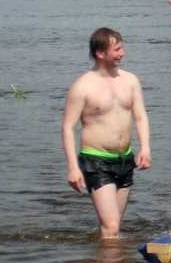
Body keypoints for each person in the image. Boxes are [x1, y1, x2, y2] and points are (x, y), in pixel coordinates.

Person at [61, 27, 151, 239]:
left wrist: (145, 148)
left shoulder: (130, 80)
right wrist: (73, 168)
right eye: (117, 49)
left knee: (113, 226)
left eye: (122, 48)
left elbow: (140, 116)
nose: (123, 53)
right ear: (100, 53)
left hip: (125, 159)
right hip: (96, 160)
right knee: (111, 227)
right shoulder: (82, 86)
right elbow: (67, 127)